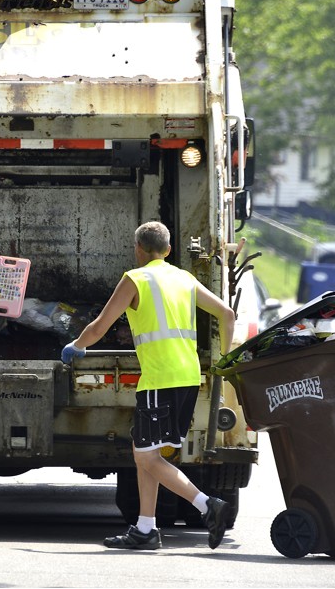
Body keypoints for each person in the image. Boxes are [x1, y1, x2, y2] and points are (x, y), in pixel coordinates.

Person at [61, 221, 236, 551]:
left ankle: (206, 504)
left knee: (147, 458)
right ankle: (145, 528)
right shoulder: (184, 278)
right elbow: (227, 315)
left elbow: (100, 327)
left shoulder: (135, 279)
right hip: (188, 377)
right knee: (146, 454)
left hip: (159, 379)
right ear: (168, 250)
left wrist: (78, 346)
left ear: (138, 249)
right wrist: (225, 361)